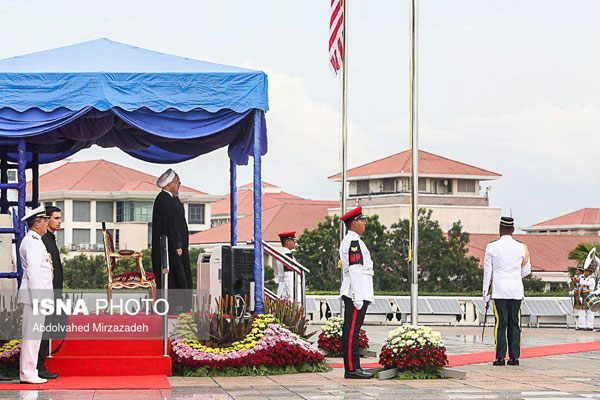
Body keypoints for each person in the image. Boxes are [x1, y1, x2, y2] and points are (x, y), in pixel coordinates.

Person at [482, 216, 531, 366]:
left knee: (500, 324)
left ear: (500, 229)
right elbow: (527, 270)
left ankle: (500, 357)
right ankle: (515, 357)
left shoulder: (492, 246)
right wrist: (514, 277)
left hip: (499, 291)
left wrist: (485, 293)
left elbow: (487, 272)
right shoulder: (522, 247)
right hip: (516, 290)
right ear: (513, 229)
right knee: (515, 323)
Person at [17, 205, 52, 384]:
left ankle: (30, 371)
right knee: (31, 336)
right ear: (36, 224)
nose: (47, 224)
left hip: (36, 296)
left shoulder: (36, 240)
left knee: (34, 336)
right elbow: (33, 271)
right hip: (33, 297)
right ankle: (27, 372)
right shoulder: (31, 242)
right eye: (45, 221)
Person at [339, 206, 374, 379]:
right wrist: (357, 296)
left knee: (354, 330)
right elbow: (355, 270)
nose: (364, 224)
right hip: (356, 292)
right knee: (352, 331)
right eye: (361, 221)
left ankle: (355, 367)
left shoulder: (355, 240)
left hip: (359, 290)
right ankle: (351, 369)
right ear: (354, 223)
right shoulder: (353, 242)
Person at [151, 169, 192, 313]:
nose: (179, 185)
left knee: (182, 275)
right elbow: (171, 225)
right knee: (174, 276)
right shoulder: (163, 200)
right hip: (170, 247)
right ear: (168, 184)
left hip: (176, 246)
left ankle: (183, 305)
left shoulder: (172, 199)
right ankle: (173, 307)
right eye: (177, 182)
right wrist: (178, 245)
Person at [35, 206, 63, 379]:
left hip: (54, 292)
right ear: (46, 220)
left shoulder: (50, 239)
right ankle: (39, 366)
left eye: (60, 218)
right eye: (56, 218)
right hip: (47, 292)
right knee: (43, 330)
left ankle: (40, 365)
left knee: (48, 329)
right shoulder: (43, 240)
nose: (59, 221)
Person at [276, 231, 298, 301]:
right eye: (293, 240)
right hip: (287, 291)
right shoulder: (287, 254)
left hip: (284, 289)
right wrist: (292, 297)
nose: (294, 243)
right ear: (287, 242)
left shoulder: (283, 253)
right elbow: (289, 276)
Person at [579, 266, 596, 331]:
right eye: (585, 271)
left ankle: (590, 326)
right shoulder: (584, 278)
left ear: (590, 273)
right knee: (584, 311)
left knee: (590, 311)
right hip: (584, 296)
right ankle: (583, 325)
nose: (585, 273)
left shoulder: (591, 279)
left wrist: (581, 281)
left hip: (589, 295)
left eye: (587, 271)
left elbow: (586, 283)